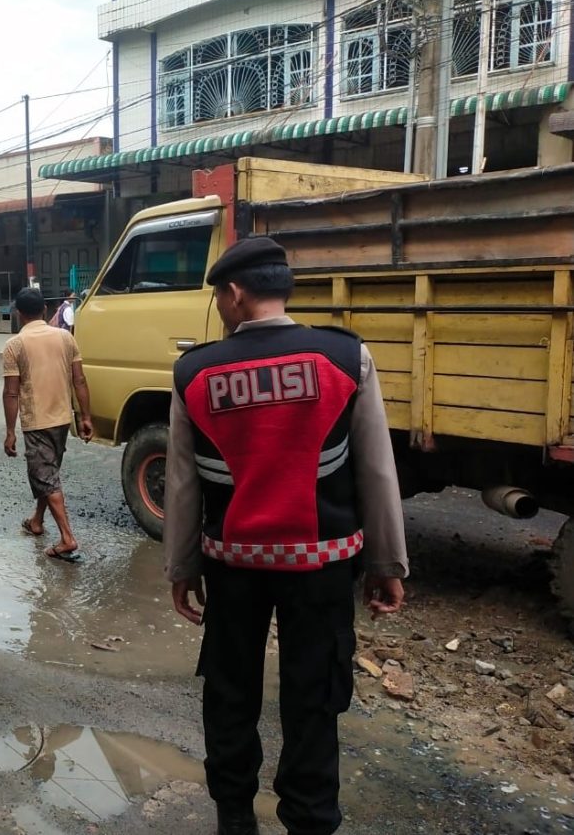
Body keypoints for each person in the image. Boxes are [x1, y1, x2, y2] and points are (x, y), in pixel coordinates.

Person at [162, 236, 408, 835]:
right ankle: (311, 818)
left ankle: (235, 818)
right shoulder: (346, 358)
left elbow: (182, 484)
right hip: (322, 568)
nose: (220, 306)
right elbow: (376, 467)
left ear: (236, 293)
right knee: (315, 695)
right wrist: (387, 562)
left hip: (233, 568)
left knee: (230, 691)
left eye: (219, 296)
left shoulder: (195, 371)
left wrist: (181, 568)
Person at [2, 287, 94, 562]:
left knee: (46, 478)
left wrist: (9, 432)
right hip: (62, 418)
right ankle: (37, 521)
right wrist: (85, 416)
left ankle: (67, 538)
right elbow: (79, 380)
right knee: (48, 473)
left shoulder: (15, 345)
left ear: (19, 314)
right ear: (44, 310)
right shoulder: (65, 337)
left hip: (37, 422)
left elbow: (11, 392)